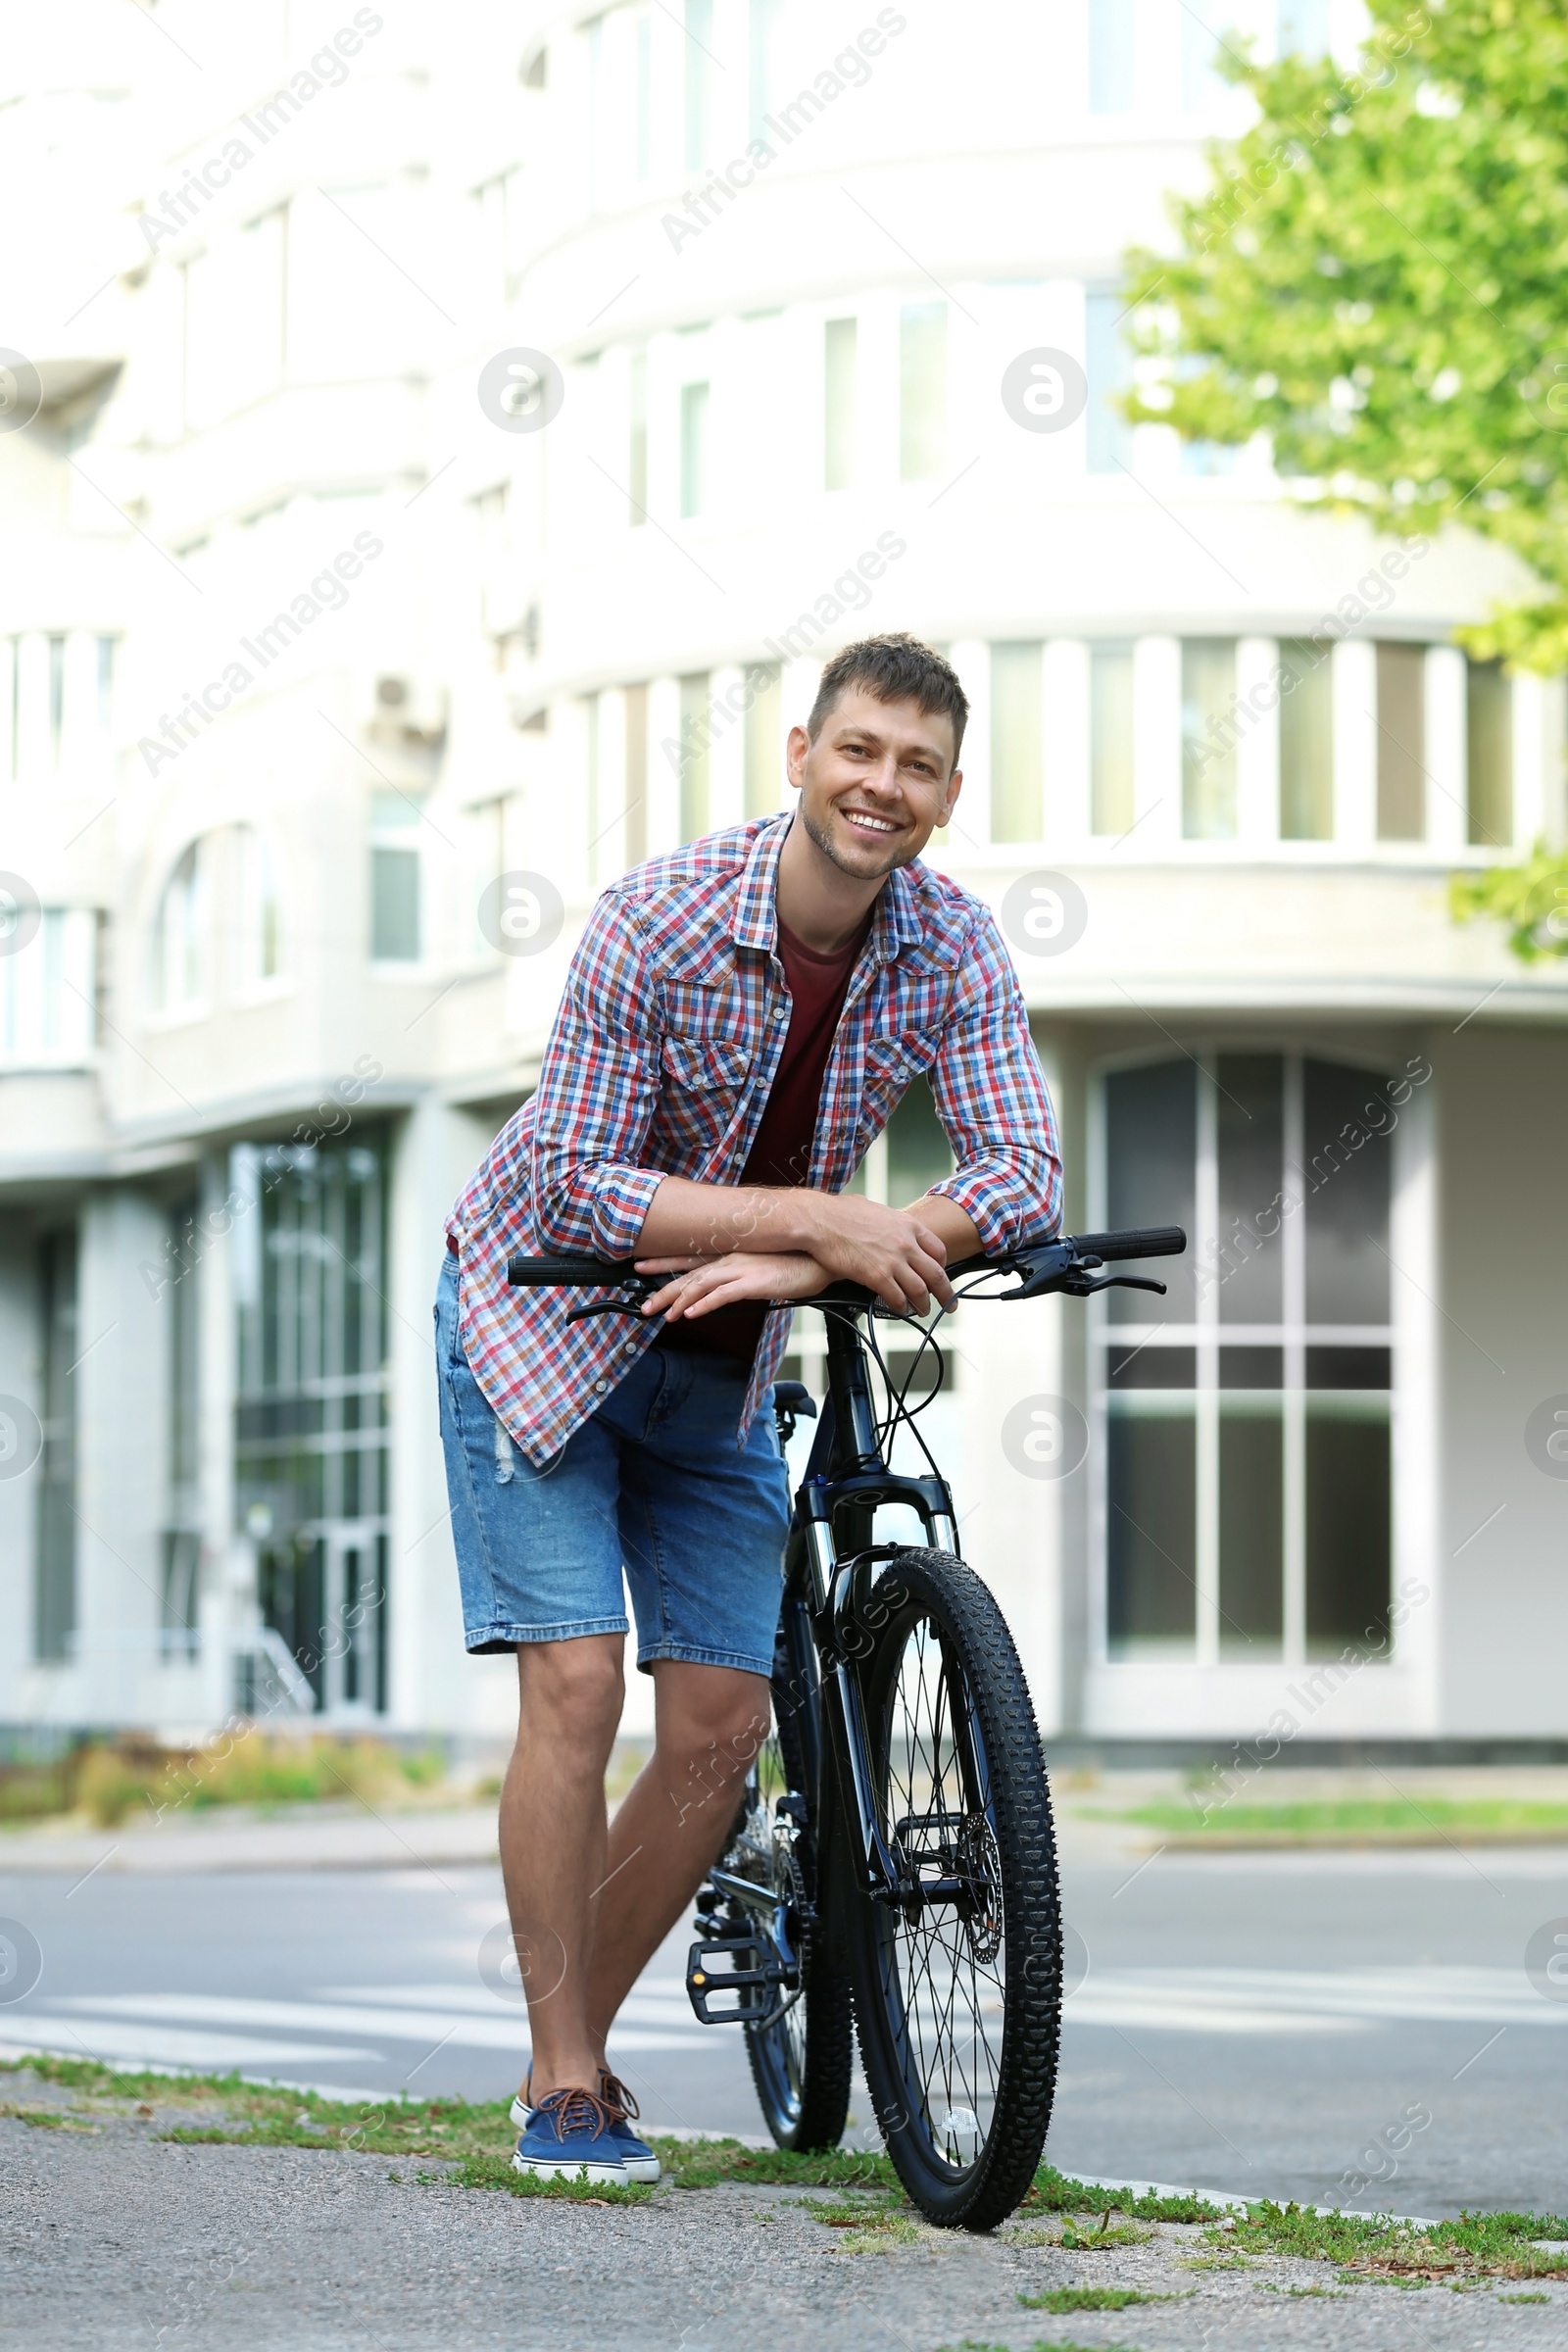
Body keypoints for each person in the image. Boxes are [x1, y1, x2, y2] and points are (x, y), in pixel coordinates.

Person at [435, 632, 1062, 2184]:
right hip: (546, 1316)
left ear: (948, 793)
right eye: (859, 750)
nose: (883, 786)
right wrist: (825, 1223)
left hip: (721, 1358)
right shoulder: (656, 918)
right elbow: (577, 1181)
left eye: (917, 767)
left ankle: (565, 2026)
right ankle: (566, 2082)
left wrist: (809, 1248)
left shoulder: (953, 946)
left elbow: (1021, 1168)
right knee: (576, 1688)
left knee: (720, 1733)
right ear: (800, 753)